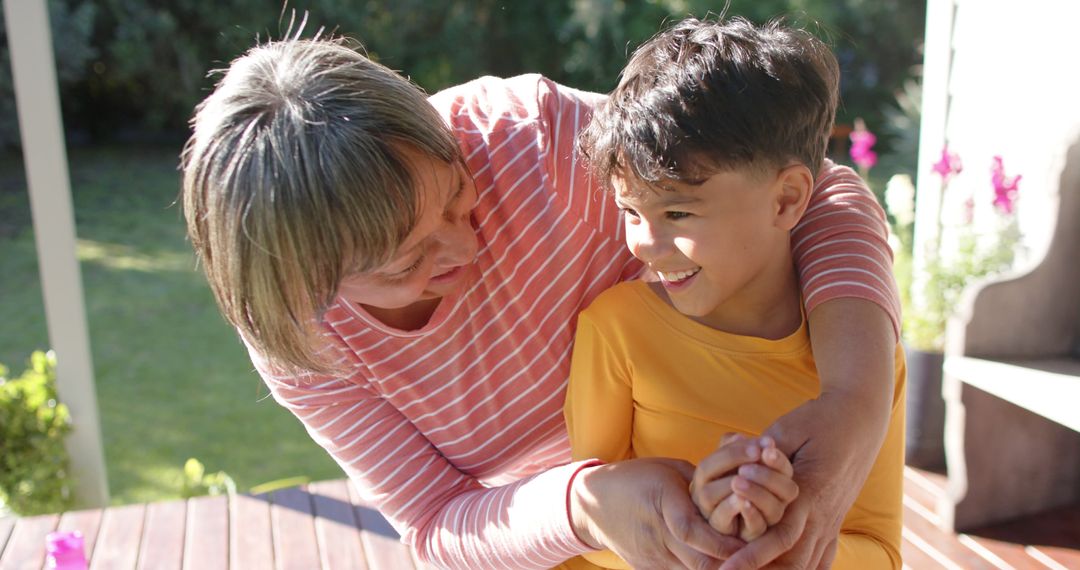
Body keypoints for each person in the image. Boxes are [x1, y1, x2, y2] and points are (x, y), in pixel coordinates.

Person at [180, 21, 900, 570]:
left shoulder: (528, 138)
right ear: (307, 283)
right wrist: (583, 508)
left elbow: (809, 180)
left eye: (459, 198)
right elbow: (434, 524)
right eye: (409, 261)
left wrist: (856, 401)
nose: (464, 248)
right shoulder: (305, 340)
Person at [565, 16, 906, 569]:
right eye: (631, 211)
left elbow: (881, 551)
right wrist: (700, 523)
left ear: (786, 200)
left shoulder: (862, 356)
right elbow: (596, 533)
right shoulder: (615, 328)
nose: (645, 245)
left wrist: (777, 538)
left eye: (677, 211)